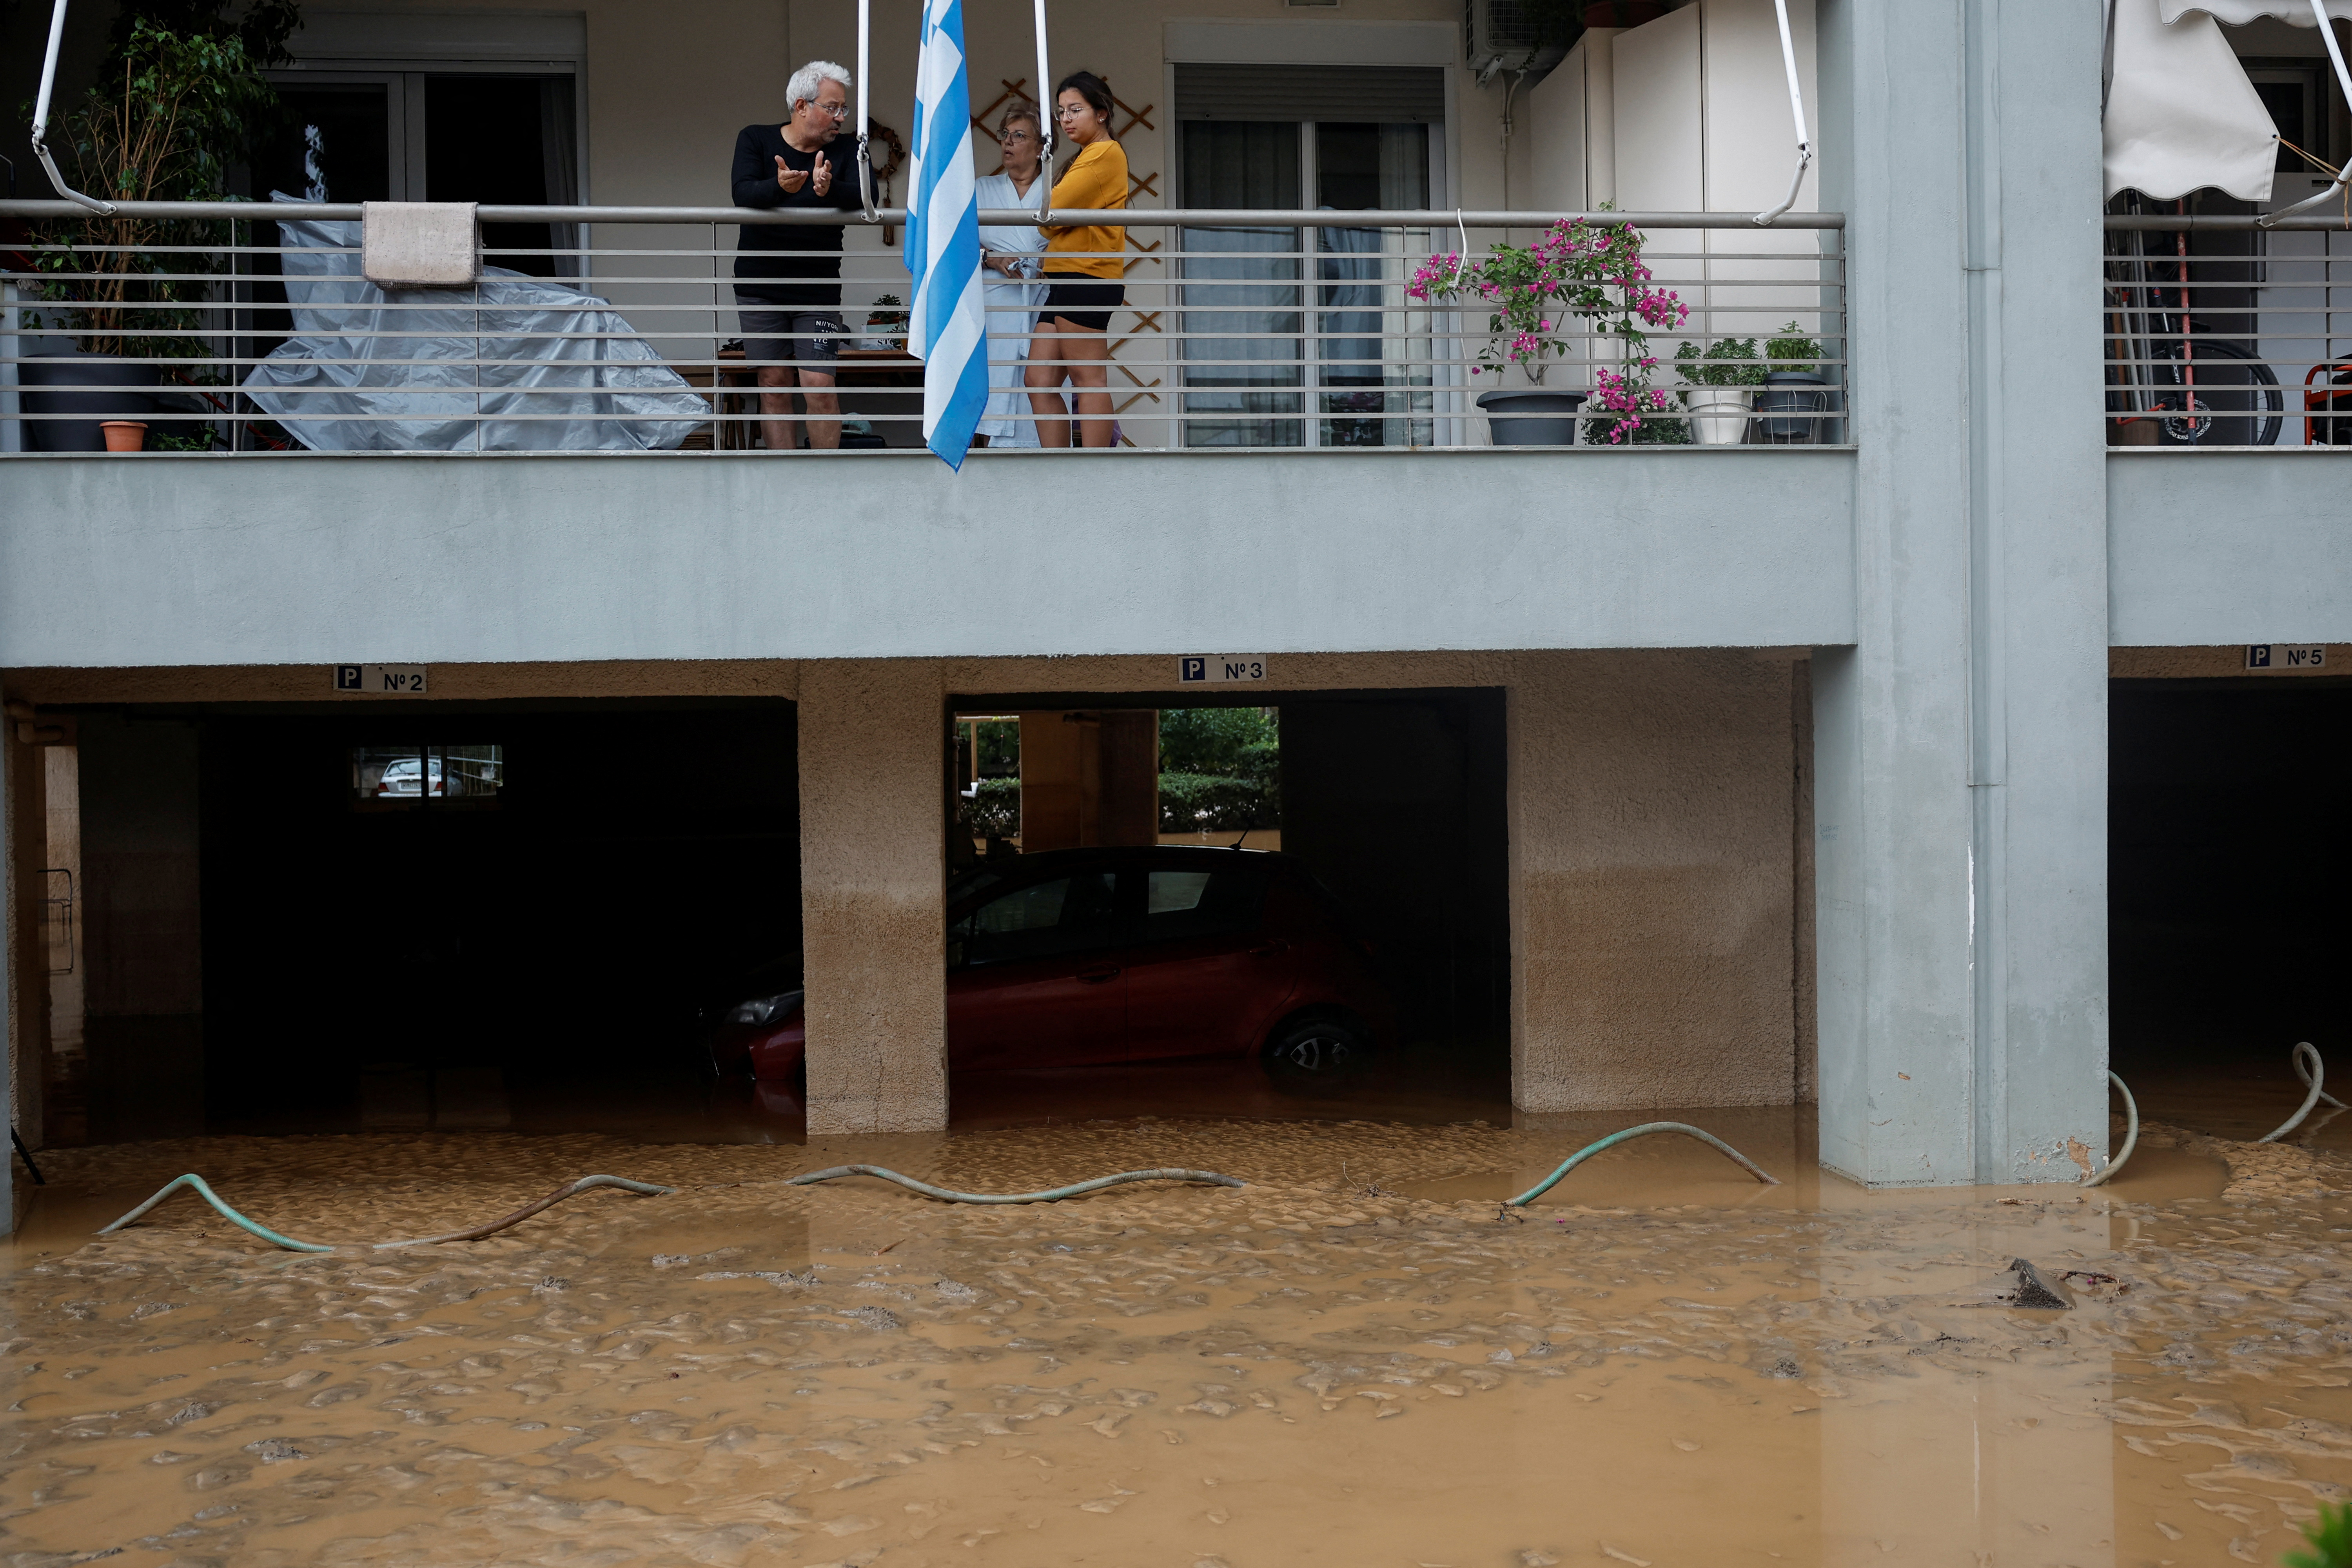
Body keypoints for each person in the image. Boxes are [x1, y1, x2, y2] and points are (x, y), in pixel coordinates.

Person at [730, 61, 864, 451]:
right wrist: (780, 187)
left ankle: (821, 487)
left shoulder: (848, 148)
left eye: (844, 109)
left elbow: (865, 194)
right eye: (833, 107)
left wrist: (830, 190)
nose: (841, 117)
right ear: (802, 106)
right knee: (773, 385)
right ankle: (784, 487)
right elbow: (743, 193)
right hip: (760, 285)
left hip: (817, 288)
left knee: (819, 384)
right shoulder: (755, 139)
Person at [1024, 71, 1127, 448]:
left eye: (1076, 110)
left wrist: (1054, 223)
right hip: (1066, 277)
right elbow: (1052, 219)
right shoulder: (1086, 156)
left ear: (1101, 113)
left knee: (1088, 379)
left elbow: (1051, 213)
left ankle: (1093, 477)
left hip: (1088, 276)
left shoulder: (1104, 153)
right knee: (1038, 379)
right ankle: (1060, 470)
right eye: (1061, 111)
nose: (1066, 119)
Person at [972, 105, 1049, 448]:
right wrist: (990, 258)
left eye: (1019, 136)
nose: (1008, 142)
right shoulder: (980, 190)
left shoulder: (1057, 192)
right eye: (1005, 134)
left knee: (1042, 388)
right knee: (992, 392)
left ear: (1041, 148)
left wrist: (1048, 262)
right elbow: (955, 248)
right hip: (995, 309)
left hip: (1042, 307)